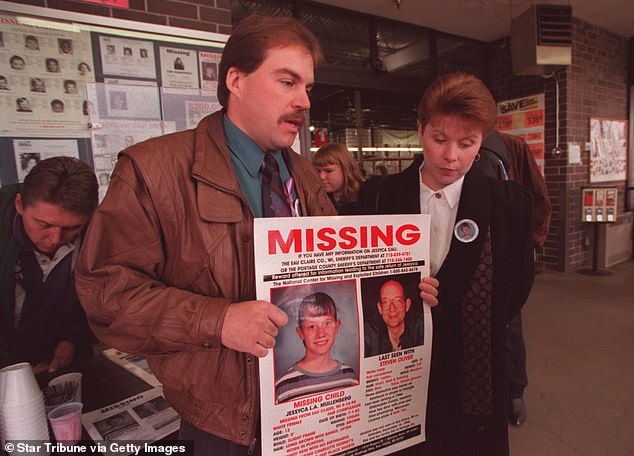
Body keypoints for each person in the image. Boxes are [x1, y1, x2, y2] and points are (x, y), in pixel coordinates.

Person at [75, 14, 339, 455]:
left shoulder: (304, 178)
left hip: (305, 404)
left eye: (307, 87)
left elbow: (334, 274)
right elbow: (105, 295)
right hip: (222, 426)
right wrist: (218, 320)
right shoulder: (153, 171)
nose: (304, 102)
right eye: (288, 82)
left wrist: (398, 282)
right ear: (236, 79)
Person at [357, 72, 534, 456]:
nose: (451, 156)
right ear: (420, 131)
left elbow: (517, 286)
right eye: (439, 140)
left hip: (474, 378)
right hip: (395, 379)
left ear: (482, 141)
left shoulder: (508, 204)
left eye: (466, 143)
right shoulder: (378, 196)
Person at [477, 130, 552, 426]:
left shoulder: (512, 147)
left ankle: (515, 390)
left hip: (505, 244)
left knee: (509, 324)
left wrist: (531, 243)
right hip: (468, 243)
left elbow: (538, 196)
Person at [0, 157, 98, 373]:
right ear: (19, 205)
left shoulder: (99, 233)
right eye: (44, 225)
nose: (55, 238)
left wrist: (74, 338)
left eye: (72, 228)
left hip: (64, 365)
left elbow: (103, 297)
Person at [275, 292, 357, 403]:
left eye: (327, 323)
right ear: (300, 333)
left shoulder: (349, 376)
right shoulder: (283, 386)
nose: (321, 334)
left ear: (337, 327)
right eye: (312, 326)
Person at [364, 277, 424, 357]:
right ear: (380, 308)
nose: (392, 308)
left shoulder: (420, 327)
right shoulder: (369, 333)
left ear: (407, 305)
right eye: (386, 302)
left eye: (397, 301)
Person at [312, 143, 365, 214]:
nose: (321, 176)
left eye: (328, 171)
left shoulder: (366, 199)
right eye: (318, 171)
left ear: (345, 170)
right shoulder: (316, 200)